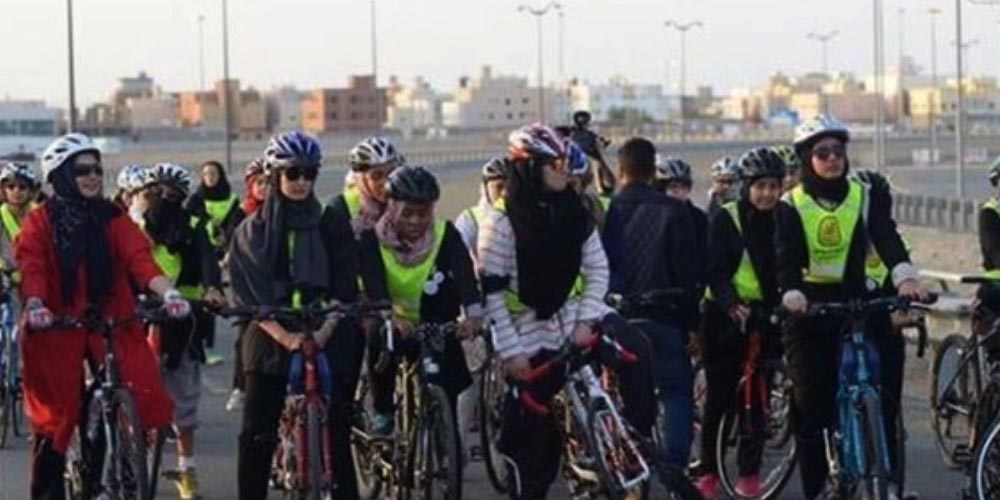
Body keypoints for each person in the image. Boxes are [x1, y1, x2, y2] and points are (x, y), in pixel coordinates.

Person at [480, 124, 653, 499]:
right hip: (525, 332)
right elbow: (492, 297)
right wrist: (511, 354)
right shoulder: (501, 224)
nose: (565, 170)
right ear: (529, 167)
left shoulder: (573, 210)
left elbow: (598, 268)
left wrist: (586, 320)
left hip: (573, 319)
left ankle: (628, 440)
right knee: (533, 449)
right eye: (555, 163)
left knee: (638, 351)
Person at [18, 133, 190, 500]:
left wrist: (168, 292)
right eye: (83, 170)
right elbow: (31, 265)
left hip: (109, 317)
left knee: (135, 390)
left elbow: (140, 259)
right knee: (58, 417)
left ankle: (118, 467)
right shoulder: (40, 222)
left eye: (98, 168)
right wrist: (35, 304)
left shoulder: (113, 217)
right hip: (57, 322)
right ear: (61, 174)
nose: (94, 176)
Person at [775, 116, 927, 499]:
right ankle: (817, 488)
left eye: (838, 152)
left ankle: (889, 480)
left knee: (889, 373)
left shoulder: (862, 195)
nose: (832, 160)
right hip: (809, 308)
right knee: (812, 405)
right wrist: (792, 291)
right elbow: (786, 257)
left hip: (857, 298)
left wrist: (905, 277)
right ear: (807, 158)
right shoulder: (790, 204)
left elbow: (886, 236)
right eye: (822, 153)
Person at [228, 131, 362, 500]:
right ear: (274, 176)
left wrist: (326, 328)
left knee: (338, 426)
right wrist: (286, 337)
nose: (301, 182)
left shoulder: (331, 221)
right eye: (293, 174)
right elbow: (251, 294)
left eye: (309, 174)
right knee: (257, 430)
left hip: (326, 326)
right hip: (271, 329)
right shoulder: (252, 230)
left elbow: (345, 282)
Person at [358, 165, 479, 444]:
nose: (415, 221)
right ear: (391, 207)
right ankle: (384, 412)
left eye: (423, 213)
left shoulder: (445, 234)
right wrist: (391, 317)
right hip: (395, 322)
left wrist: (472, 316)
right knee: (380, 338)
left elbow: (464, 277)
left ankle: (444, 436)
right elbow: (374, 286)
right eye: (407, 213)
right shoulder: (371, 239)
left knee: (446, 380)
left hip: (435, 322)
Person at [601, 137, 700, 472]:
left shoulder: (606, 208)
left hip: (618, 320)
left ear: (621, 169)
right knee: (675, 392)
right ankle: (675, 469)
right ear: (652, 168)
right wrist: (692, 324)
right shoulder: (673, 210)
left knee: (618, 396)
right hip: (665, 316)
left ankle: (625, 463)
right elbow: (688, 274)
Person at [695, 148, 786, 498]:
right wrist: (732, 304)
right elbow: (714, 271)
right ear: (747, 186)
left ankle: (750, 473)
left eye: (773, 186)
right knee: (720, 398)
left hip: (765, 317)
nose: (767, 194)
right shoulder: (727, 218)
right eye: (760, 186)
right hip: (724, 316)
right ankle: (708, 471)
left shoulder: (783, 218)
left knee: (759, 402)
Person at [133, 162, 225, 499]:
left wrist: (213, 289)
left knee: (185, 397)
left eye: (173, 194)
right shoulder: (133, 228)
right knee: (129, 386)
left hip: (184, 319)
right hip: (139, 315)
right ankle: (131, 453)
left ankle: (187, 468)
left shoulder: (194, 226)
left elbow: (207, 261)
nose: (163, 199)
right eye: (155, 192)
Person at [851, 168, 916, 500]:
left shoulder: (889, 239)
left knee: (887, 404)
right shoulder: (844, 235)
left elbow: (904, 279)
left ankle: (888, 479)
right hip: (849, 323)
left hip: (884, 325)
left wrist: (904, 309)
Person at [225, 158, 269, 413]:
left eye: (268, 183)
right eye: (259, 183)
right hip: (247, 282)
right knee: (245, 338)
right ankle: (240, 387)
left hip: (274, 285)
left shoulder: (283, 212)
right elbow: (232, 246)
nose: (264, 188)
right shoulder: (242, 213)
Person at [329, 136, 404, 238]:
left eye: (392, 173)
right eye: (376, 176)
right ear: (362, 179)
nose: (386, 182)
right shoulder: (339, 210)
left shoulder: (406, 200)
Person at [655, 156, 709, 294]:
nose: (679, 192)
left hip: (688, 292)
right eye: (673, 187)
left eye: (684, 187)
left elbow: (705, 255)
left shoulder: (698, 218)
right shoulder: (652, 218)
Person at [455, 157, 511, 263]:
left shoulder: (526, 216)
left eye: (510, 187)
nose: (505, 193)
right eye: (499, 187)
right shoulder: (470, 219)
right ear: (485, 190)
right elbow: (457, 253)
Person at [0, 162, 41, 278]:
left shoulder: (42, 216)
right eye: (11, 187)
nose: (16, 191)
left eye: (22, 187)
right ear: (4, 190)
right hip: (5, 282)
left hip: (38, 278)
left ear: (31, 190)